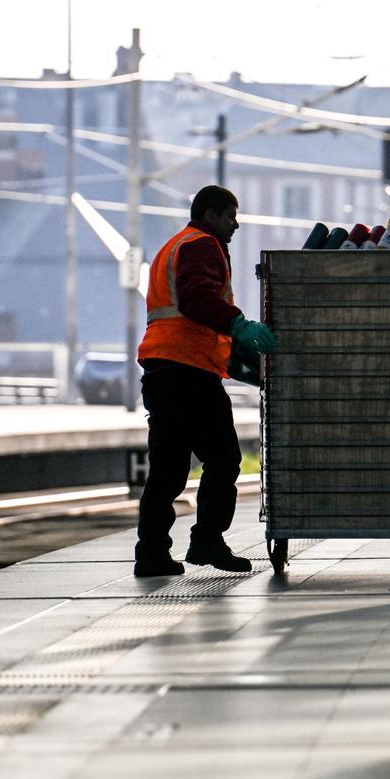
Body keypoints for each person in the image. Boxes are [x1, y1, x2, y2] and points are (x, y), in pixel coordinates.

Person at [133, 185, 277, 577]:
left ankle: (151, 554)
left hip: (163, 367)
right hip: (187, 371)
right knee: (223, 457)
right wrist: (237, 323)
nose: (236, 224)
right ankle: (207, 540)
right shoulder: (201, 245)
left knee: (168, 466)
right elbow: (196, 299)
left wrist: (232, 357)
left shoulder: (174, 244)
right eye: (230, 215)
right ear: (211, 215)